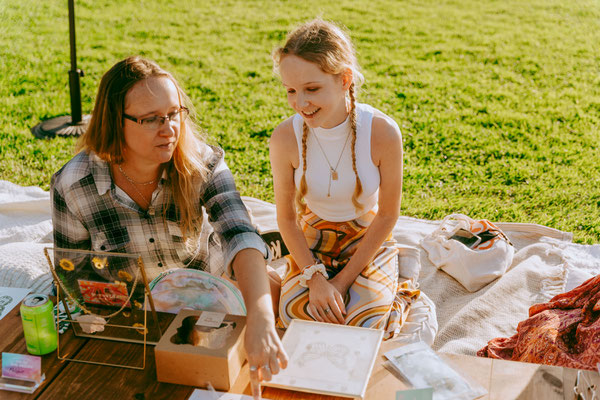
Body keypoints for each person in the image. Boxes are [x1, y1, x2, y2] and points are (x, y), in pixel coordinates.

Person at [51, 56, 287, 393]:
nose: (170, 129)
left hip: (213, 293)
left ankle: (269, 259)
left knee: (271, 297)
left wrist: (261, 319)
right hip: (138, 314)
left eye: (175, 113)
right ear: (115, 122)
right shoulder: (74, 185)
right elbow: (72, 273)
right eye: (151, 119)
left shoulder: (202, 162)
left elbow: (237, 232)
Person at [270, 19, 419, 339]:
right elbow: (286, 219)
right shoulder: (284, 138)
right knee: (293, 316)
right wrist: (315, 278)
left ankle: (399, 291)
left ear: (344, 80)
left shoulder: (382, 133)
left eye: (312, 89)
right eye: (291, 91)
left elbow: (388, 214)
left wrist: (341, 281)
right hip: (312, 238)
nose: (300, 103)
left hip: (365, 236)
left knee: (364, 325)